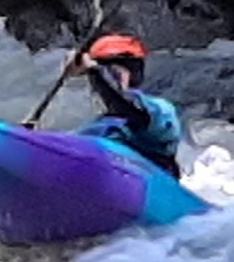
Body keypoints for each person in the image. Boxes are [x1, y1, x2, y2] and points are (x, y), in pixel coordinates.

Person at [63, 33, 185, 177]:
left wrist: (94, 70)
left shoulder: (161, 111)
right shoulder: (94, 129)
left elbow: (131, 110)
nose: (107, 79)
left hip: (151, 182)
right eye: (104, 73)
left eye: (114, 72)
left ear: (134, 75)